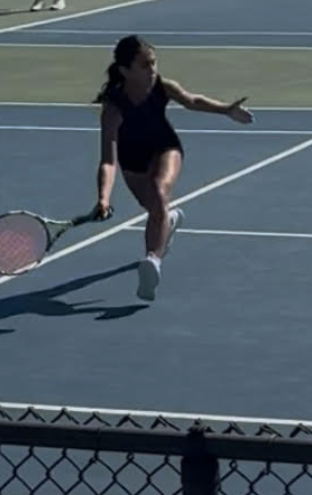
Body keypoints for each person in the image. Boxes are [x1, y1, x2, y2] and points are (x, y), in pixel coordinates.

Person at [94, 35, 254, 301]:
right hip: (132, 162)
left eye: (153, 62)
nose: (152, 69)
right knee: (156, 211)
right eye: (144, 65)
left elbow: (192, 100)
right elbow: (108, 161)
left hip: (165, 148)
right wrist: (103, 198)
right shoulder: (113, 108)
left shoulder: (162, 87)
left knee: (158, 193)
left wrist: (226, 109)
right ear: (125, 71)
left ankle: (152, 261)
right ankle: (170, 220)